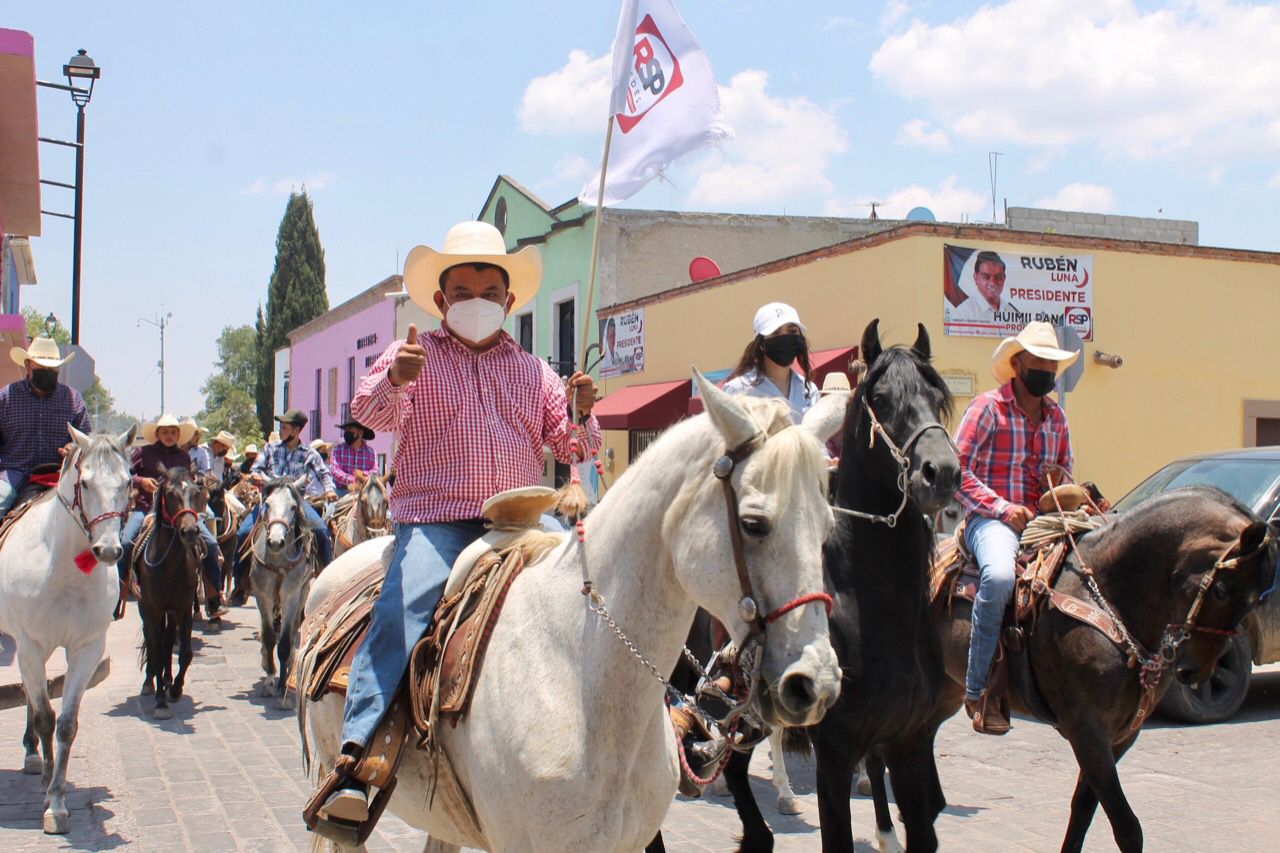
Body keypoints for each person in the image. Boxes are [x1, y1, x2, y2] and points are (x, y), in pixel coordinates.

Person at [311, 220, 600, 827]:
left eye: (489, 292)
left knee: (596, 593)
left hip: (522, 521)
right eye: (462, 292)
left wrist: (584, 412)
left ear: (509, 301)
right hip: (438, 522)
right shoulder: (414, 356)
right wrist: (396, 378)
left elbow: (570, 445)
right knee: (405, 605)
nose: (477, 303)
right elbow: (365, 412)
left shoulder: (533, 371)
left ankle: (661, 720)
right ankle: (357, 756)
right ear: (440, 301)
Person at [953, 321, 1077, 734]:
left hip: (1043, 520)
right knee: (1001, 576)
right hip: (990, 520)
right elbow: (957, 470)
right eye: (1038, 362)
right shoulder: (987, 408)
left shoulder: (1056, 417)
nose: (1045, 370)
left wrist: (1061, 488)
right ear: (1018, 363)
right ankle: (977, 688)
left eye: (1051, 364)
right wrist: (1003, 507)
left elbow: (1065, 470)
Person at [119, 414, 225, 620]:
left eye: (173, 432)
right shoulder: (142, 452)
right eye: (165, 432)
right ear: (157, 434)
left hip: (179, 511)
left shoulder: (184, 457)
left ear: (179, 435)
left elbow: (190, 482)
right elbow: (127, 474)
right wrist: (142, 482)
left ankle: (213, 599)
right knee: (124, 543)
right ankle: (118, 595)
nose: (169, 435)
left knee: (211, 544)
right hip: (147, 508)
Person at [227, 410, 335, 606]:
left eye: (284, 427)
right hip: (270, 501)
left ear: (296, 430)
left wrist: (329, 490)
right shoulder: (270, 449)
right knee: (243, 533)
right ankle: (240, 585)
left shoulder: (309, 454)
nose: (281, 430)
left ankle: (327, 580)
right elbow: (256, 469)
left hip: (296, 503)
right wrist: (255, 476)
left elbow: (324, 473)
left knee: (320, 529)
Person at [0, 337, 92, 519]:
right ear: (28, 365)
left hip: (58, 475)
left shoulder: (72, 399)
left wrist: (73, 448)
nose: (47, 372)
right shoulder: (6, 397)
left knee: (93, 515)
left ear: (59, 368)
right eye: (41, 368)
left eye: (51, 369)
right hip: (13, 473)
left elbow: (87, 440)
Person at [721, 302, 819, 425]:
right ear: (761, 343)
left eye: (792, 331)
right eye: (776, 333)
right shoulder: (738, 390)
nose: (786, 339)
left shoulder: (809, 391)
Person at [949, 251, 1020, 325]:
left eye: (998, 277)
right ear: (975, 278)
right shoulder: (963, 314)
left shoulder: (1013, 314)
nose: (992, 283)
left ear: (1004, 279)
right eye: (986, 277)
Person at [331, 419, 377, 496]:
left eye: (349, 429)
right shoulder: (338, 449)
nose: (346, 433)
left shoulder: (371, 452)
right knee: (330, 507)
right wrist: (354, 480)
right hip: (340, 492)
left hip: (363, 493)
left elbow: (374, 471)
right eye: (345, 430)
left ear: (361, 432)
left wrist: (363, 477)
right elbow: (335, 470)